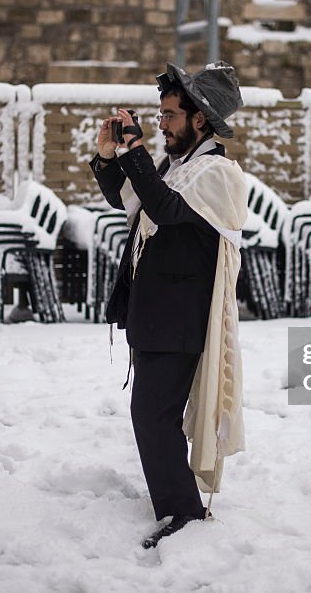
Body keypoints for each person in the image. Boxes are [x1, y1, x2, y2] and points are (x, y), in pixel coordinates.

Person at [89, 62, 248, 549]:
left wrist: (134, 150)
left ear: (201, 119)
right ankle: (175, 504)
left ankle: (182, 513)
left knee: (152, 416)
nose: (161, 123)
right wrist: (107, 157)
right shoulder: (176, 168)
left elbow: (162, 207)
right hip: (155, 315)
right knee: (152, 415)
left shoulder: (218, 173)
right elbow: (131, 199)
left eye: (170, 115)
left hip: (180, 319)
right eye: (159, 115)